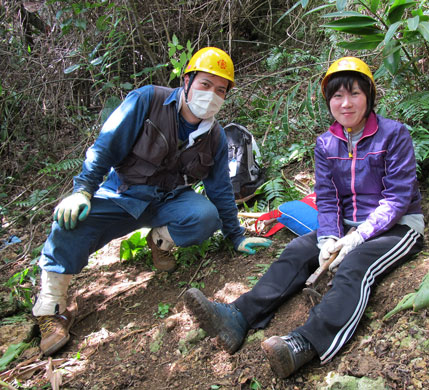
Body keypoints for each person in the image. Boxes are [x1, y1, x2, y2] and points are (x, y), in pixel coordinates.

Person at [184, 56, 424, 378]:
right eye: (337, 96)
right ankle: (237, 317)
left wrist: (358, 236)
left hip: (397, 227)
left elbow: (397, 199)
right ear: (329, 102)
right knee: (297, 251)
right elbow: (327, 198)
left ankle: (306, 343)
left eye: (354, 94)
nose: (346, 103)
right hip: (347, 224)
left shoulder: (394, 135)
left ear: (369, 96)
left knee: (355, 266)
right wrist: (327, 237)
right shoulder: (326, 144)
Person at [32, 47, 272, 356]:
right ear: (186, 81)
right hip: (124, 195)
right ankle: (51, 309)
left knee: (205, 216)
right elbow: (106, 145)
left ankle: (159, 242)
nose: (211, 95)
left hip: (168, 201)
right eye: (205, 84)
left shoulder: (215, 137)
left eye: (220, 90)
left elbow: (221, 190)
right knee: (70, 219)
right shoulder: (148, 100)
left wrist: (236, 236)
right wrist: (83, 190)